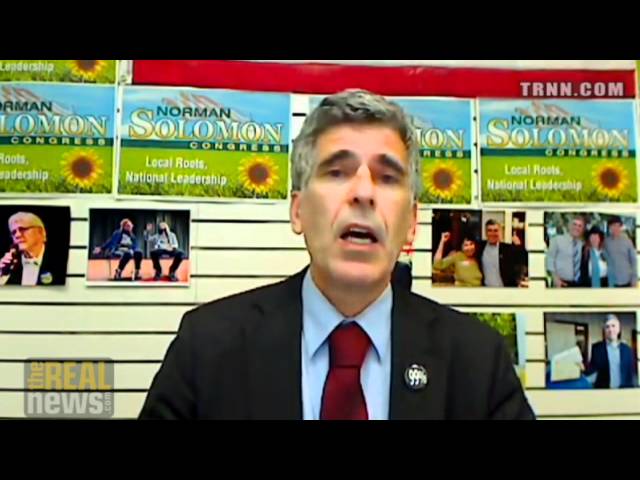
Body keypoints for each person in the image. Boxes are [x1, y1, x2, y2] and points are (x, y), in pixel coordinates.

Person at [139, 89, 534, 420]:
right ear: (298, 210)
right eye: (337, 172)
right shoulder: (207, 348)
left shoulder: (478, 362)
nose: (363, 192)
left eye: (387, 177)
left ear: (412, 223)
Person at [0, 212, 66, 286]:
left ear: (41, 232)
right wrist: (2, 274)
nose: (17, 235)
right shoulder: (10, 266)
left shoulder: (60, 261)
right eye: (13, 232)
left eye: (23, 229)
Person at [584, 314, 637, 389]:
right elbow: (592, 370)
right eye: (607, 327)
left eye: (613, 326)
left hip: (623, 391)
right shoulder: (596, 348)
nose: (610, 329)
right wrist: (582, 369)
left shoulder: (627, 350)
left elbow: (630, 374)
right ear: (604, 330)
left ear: (618, 329)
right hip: (603, 391)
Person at [478, 219, 527, 287]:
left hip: (505, 290)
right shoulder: (480, 247)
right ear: (486, 232)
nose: (492, 233)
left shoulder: (508, 249)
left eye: (495, 230)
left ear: (500, 232)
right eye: (489, 230)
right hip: (486, 289)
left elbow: (524, 259)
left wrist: (519, 246)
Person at [546, 215, 586, 288]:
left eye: (580, 226)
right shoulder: (557, 240)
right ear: (569, 226)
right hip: (561, 283)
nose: (577, 227)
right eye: (574, 224)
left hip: (578, 285)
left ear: (582, 229)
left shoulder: (582, 244)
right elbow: (550, 259)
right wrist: (555, 278)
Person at [603, 216, 637, 288]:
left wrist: (634, 280)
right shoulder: (606, 241)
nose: (615, 228)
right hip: (611, 281)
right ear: (610, 227)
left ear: (621, 227)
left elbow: (634, 261)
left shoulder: (627, 241)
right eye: (613, 226)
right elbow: (604, 256)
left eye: (617, 225)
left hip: (626, 280)